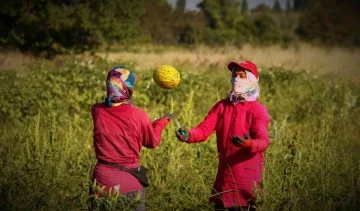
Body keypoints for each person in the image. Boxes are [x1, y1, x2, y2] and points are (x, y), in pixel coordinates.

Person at [175, 60, 270, 211]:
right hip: (225, 179)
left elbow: (264, 141)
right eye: (234, 75)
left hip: (247, 182)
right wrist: (188, 135)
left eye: (242, 76)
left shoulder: (257, 110)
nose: (237, 79)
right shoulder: (222, 106)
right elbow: (203, 130)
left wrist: (250, 143)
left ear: (252, 80)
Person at [90, 65, 173, 210]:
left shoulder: (96, 110)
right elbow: (152, 142)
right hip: (129, 185)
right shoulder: (138, 114)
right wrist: (160, 124)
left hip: (100, 184)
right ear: (127, 89)